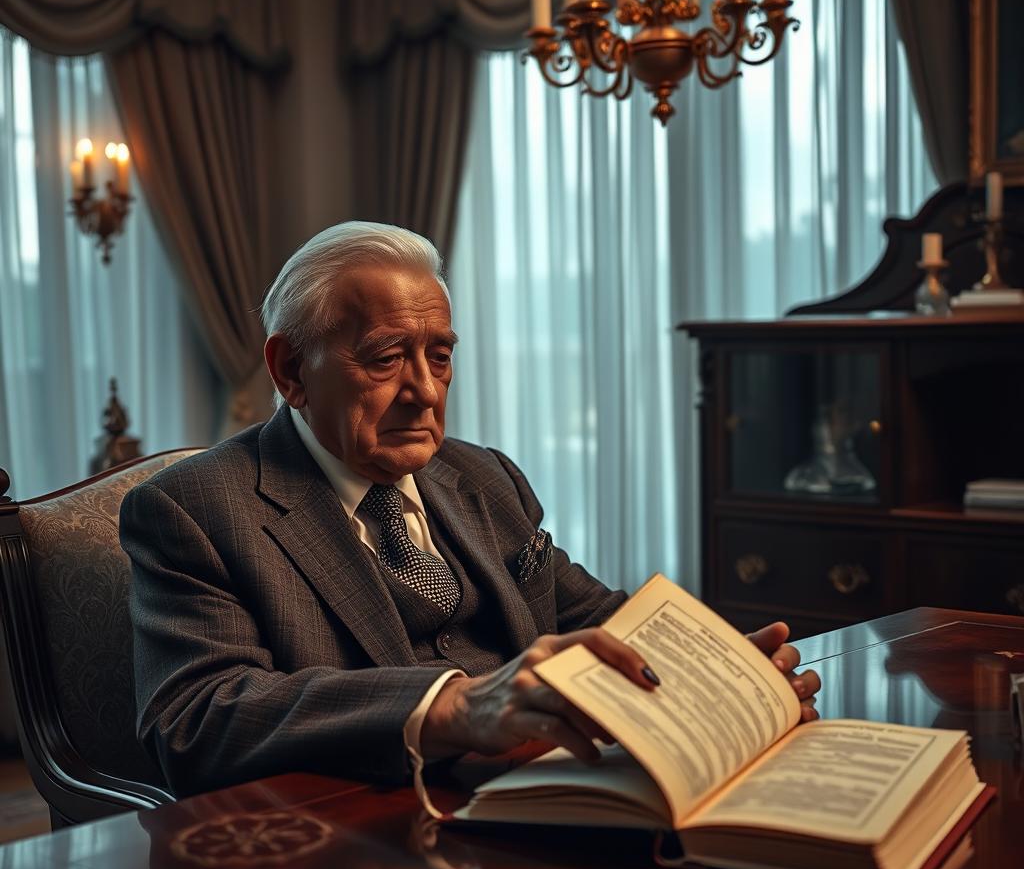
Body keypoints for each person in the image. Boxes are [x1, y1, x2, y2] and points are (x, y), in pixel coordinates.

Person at [120, 221, 820, 798]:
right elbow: (198, 720)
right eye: (387, 358)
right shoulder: (194, 510)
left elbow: (594, 617)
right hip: (362, 843)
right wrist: (452, 706)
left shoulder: (482, 475)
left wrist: (723, 675)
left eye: (441, 355)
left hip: (543, 801)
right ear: (292, 371)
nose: (425, 392)